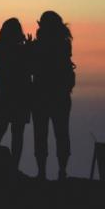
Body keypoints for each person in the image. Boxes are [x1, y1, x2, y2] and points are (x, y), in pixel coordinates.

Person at [0, 17, 32, 168]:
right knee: (17, 132)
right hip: (21, 94)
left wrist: (2, 42)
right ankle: (13, 166)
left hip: (4, 94)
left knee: (0, 128)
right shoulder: (23, 49)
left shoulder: (1, 49)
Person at [29, 10, 75, 180]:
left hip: (41, 95)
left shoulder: (40, 45)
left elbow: (32, 67)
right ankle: (62, 172)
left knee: (41, 134)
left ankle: (42, 173)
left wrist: (30, 47)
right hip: (61, 95)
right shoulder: (64, 44)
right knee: (61, 133)